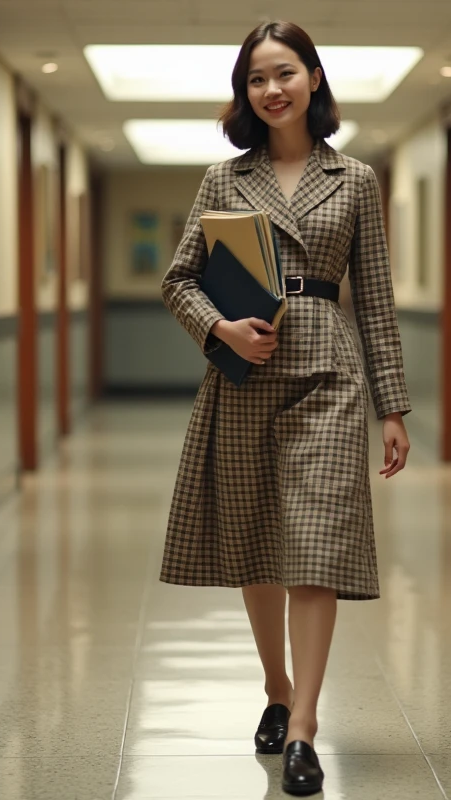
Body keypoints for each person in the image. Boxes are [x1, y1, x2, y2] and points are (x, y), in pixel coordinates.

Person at [159, 19, 412, 797]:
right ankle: (275, 685)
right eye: (256, 80)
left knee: (318, 543)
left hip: (327, 378)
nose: (272, 90)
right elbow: (178, 281)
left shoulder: (356, 179)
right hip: (244, 374)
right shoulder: (222, 180)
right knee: (258, 539)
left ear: (313, 79)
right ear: (246, 94)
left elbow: (375, 298)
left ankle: (303, 726)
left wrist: (393, 406)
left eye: (285, 74)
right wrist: (218, 328)